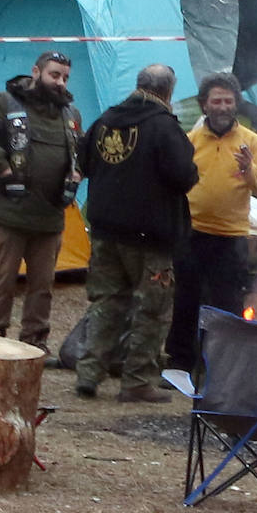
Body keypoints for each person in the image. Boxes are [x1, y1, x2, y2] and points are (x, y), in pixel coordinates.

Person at [74, 64, 199, 403]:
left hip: (105, 231)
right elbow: (184, 176)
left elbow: (82, 163)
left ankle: (89, 374)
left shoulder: (105, 121)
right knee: (152, 308)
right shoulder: (163, 127)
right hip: (150, 236)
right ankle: (137, 380)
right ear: (168, 92)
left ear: (138, 85)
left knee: (107, 302)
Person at [0, 50, 82, 352]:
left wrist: (78, 173)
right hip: (8, 214)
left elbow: (82, 152)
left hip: (50, 216)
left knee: (42, 287)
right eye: (54, 75)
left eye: (65, 77)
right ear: (36, 72)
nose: (60, 83)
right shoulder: (5, 103)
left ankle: (34, 343)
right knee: (3, 282)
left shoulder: (71, 116)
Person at [163, 72, 257, 372]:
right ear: (205, 106)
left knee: (226, 304)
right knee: (186, 299)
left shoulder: (251, 142)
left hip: (231, 237)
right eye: (217, 101)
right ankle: (180, 363)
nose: (223, 107)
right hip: (192, 233)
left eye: (228, 101)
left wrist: (249, 170)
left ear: (236, 104)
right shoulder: (191, 140)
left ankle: (223, 365)